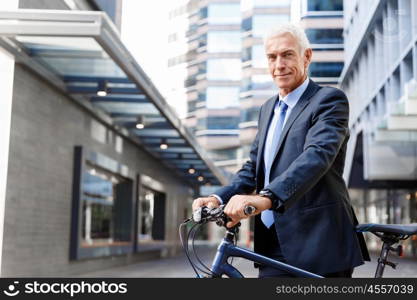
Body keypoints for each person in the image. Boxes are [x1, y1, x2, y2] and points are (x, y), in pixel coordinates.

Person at [192, 23, 370, 278]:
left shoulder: (329, 100)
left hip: (319, 241)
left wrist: (266, 197)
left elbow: (317, 156)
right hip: (272, 244)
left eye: (287, 54)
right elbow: (254, 168)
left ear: (306, 56)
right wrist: (218, 198)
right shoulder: (267, 109)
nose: (279, 64)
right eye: (272, 57)